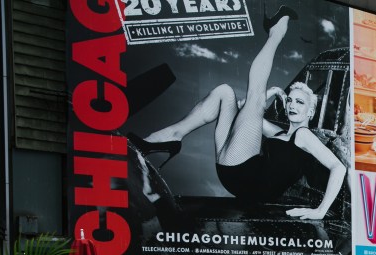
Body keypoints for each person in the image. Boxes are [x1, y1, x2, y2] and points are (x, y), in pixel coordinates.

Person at [130, 10, 345, 221]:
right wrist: (269, 94)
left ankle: (277, 32)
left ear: (311, 110)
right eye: (289, 100)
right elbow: (244, 110)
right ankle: (173, 136)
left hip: (247, 178)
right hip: (238, 174)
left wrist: (320, 211)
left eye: (299, 102)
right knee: (225, 92)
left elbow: (338, 167)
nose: (291, 105)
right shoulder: (280, 132)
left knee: (255, 97)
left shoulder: (304, 136)